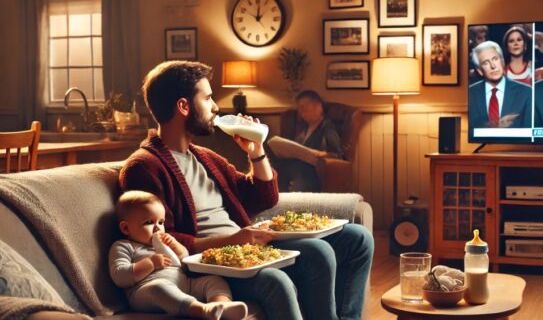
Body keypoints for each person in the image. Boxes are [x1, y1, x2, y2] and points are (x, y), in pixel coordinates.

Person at [119, 61, 374, 320]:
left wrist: (256, 151)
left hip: (247, 246)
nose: (215, 107)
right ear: (184, 106)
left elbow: (264, 198)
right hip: (213, 264)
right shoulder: (145, 167)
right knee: (318, 253)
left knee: (357, 239)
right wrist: (234, 240)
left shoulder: (205, 157)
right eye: (208, 98)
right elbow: (162, 239)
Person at [109, 190, 247, 320]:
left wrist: (177, 247)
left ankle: (221, 306)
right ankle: (202, 310)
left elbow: (183, 261)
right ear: (126, 228)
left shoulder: (164, 243)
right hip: (145, 292)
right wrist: (150, 263)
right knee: (159, 287)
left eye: (161, 222)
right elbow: (120, 276)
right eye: (149, 222)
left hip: (184, 283)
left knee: (214, 280)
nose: (158, 228)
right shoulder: (123, 246)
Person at [271, 90, 345, 192]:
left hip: (311, 173)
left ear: (319, 106)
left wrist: (317, 153)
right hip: (293, 169)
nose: (302, 112)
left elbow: (337, 155)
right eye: (300, 108)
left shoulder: (327, 127)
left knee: (298, 169)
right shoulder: (304, 129)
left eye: (305, 107)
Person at [468, 40, 532, 129]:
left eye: (495, 59)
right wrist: (495, 128)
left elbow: (529, 132)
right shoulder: (470, 94)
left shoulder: (527, 92)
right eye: (485, 63)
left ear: (502, 62)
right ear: (479, 71)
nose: (493, 66)